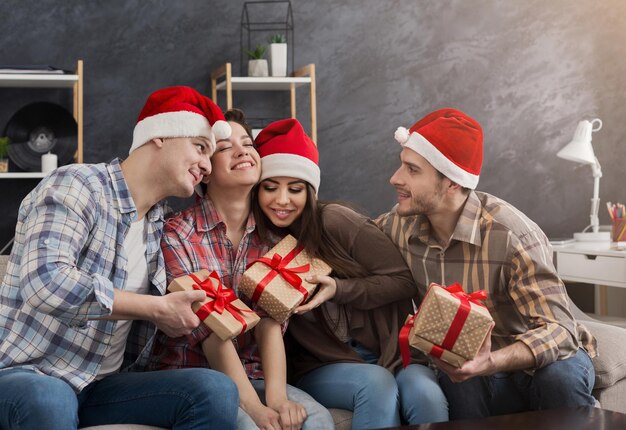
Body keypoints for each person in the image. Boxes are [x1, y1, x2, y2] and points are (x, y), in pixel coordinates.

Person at [0, 86, 240, 430]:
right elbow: (45, 282)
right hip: (27, 374)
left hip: (102, 387)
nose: (206, 165)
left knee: (213, 389)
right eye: (200, 148)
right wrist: (155, 309)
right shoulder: (77, 184)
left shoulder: (161, 225)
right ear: (159, 136)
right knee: (49, 398)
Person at [376, 107, 598, 420]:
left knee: (558, 378)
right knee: (457, 380)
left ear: (452, 183)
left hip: (546, 358)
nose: (395, 178)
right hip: (474, 366)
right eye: (402, 166)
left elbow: (560, 331)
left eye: (412, 170)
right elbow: (345, 238)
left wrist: (490, 362)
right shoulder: (400, 225)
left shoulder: (512, 235)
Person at [251, 118, 449, 429]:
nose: (282, 200)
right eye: (270, 187)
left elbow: (402, 282)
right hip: (321, 366)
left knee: (424, 395)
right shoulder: (259, 245)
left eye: (295, 188)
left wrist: (339, 288)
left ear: (310, 191)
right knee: (376, 383)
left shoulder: (334, 222)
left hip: (385, 354)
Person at [149, 109, 333, 430]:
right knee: (248, 426)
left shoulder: (275, 240)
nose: (243, 150)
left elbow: (270, 321)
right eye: (224, 147)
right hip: (196, 375)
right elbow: (211, 332)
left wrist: (277, 400)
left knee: (317, 420)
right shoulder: (177, 234)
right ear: (205, 169)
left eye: (247, 142)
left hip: (256, 375)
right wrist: (256, 410)